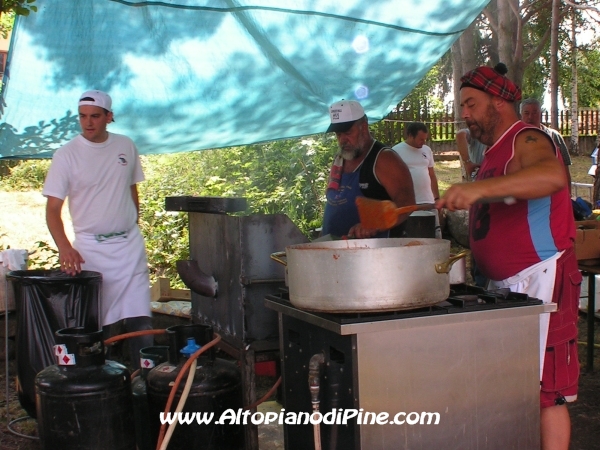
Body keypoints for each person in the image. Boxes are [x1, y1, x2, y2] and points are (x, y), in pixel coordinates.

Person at [437, 63, 579, 450]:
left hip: (542, 275)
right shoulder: (492, 153)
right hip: (509, 284)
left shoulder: (526, 138)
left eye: (470, 103)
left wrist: (478, 191)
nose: (463, 113)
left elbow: (552, 177)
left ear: (497, 102)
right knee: (516, 386)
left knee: (548, 392)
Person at [43, 90, 153, 369]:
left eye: (95, 116)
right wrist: (65, 247)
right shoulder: (66, 155)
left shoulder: (125, 146)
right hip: (91, 249)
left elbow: (132, 188)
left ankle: (148, 380)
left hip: (129, 246)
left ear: (109, 117)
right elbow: (53, 210)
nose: (88, 122)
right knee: (100, 321)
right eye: (82, 116)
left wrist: (130, 221)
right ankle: (106, 379)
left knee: (140, 316)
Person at [322, 99, 415, 238]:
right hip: (334, 251)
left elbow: (407, 203)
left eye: (347, 133)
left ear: (363, 127)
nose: (342, 140)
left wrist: (376, 223)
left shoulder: (385, 159)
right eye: (338, 134)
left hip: (374, 254)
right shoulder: (340, 159)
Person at [392, 122, 441, 238]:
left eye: (425, 139)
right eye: (420, 139)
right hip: (409, 204)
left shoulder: (427, 150)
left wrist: (437, 198)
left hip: (428, 202)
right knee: (413, 238)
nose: (423, 142)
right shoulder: (396, 151)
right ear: (410, 135)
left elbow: (432, 175)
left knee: (434, 237)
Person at [520, 97, 572, 193]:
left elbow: (564, 167)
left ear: (540, 114)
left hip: (551, 192)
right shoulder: (515, 139)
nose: (530, 117)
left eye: (534, 112)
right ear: (521, 115)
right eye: (526, 113)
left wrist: (568, 195)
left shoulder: (554, 136)